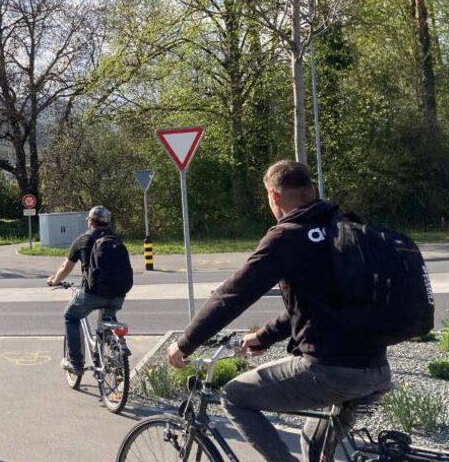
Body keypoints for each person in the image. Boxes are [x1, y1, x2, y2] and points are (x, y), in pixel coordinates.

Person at [166, 160, 392, 462]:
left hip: (331, 369)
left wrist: (185, 343)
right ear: (312, 190)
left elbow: (233, 295)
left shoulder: (288, 236)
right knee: (312, 446)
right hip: (376, 369)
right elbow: (317, 306)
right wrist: (263, 336)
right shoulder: (344, 226)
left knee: (235, 397)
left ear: (273, 197)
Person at [45, 205, 129, 374]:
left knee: (70, 316)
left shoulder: (82, 240)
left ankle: (75, 363)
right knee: (107, 318)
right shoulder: (116, 239)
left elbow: (65, 268)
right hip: (119, 293)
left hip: (92, 293)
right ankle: (114, 352)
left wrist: (54, 281)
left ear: (91, 221)